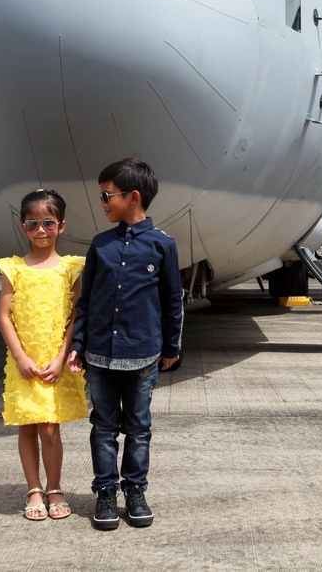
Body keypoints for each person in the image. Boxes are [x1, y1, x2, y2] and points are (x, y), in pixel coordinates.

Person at [68, 158, 184, 531]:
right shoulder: (100, 245)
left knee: (138, 427)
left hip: (143, 354)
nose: (101, 202)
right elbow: (86, 302)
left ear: (133, 197)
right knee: (103, 427)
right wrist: (78, 343)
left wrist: (171, 347)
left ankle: (135, 490)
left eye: (107, 195)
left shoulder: (163, 245)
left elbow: (172, 301)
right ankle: (105, 492)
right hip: (99, 355)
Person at [0, 189, 88, 521]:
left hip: (55, 361)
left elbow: (77, 315)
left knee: (50, 426)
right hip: (24, 362)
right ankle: (33, 488)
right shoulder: (14, 268)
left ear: (61, 226)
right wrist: (20, 356)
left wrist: (62, 356)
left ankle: (54, 487)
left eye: (48, 222)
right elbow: (4, 316)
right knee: (27, 425)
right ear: (23, 227)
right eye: (32, 223)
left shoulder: (70, 268)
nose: (40, 230)